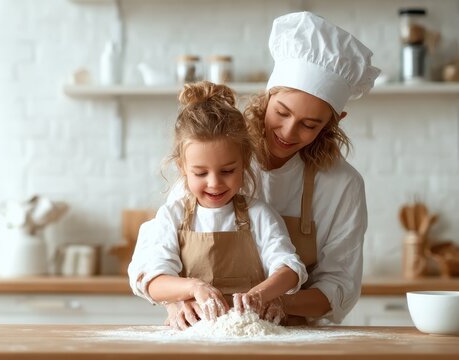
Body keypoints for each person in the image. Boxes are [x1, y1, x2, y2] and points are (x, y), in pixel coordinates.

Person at [163, 11, 381, 328]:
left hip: (298, 336)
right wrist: (178, 300)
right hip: (202, 330)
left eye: (310, 124)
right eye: (282, 112)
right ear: (268, 96)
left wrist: (277, 301)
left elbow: (340, 287)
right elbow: (165, 250)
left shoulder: (341, 184)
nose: (289, 132)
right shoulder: (219, 156)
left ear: (335, 121)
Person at [127, 80, 308, 328]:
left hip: (252, 336)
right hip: (191, 338)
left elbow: (290, 269)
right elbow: (152, 280)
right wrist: (192, 288)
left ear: (244, 163)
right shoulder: (174, 215)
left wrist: (261, 295)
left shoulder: (259, 214)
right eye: (201, 173)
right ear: (183, 168)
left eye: (227, 171)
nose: (214, 183)